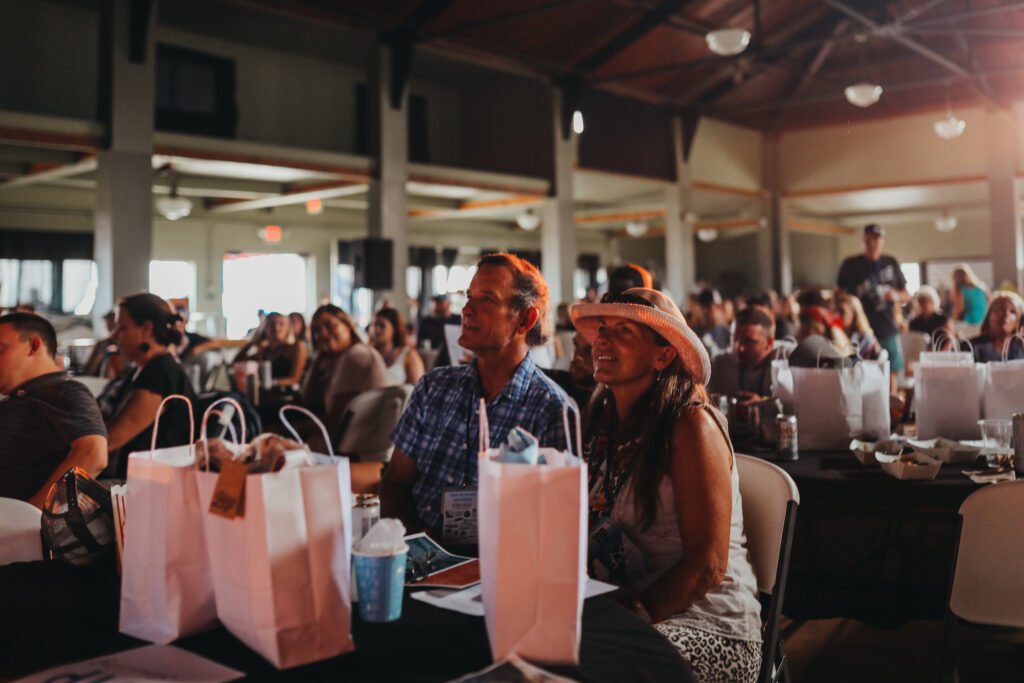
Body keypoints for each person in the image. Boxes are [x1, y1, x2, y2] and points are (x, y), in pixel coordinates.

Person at [571, 288, 762, 682]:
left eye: (623, 330)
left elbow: (707, 567)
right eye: (602, 328)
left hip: (707, 624)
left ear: (664, 354)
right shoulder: (598, 419)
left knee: (585, 669)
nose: (603, 339)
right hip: (618, 605)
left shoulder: (691, 425)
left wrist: (628, 617)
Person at [382, 253, 571, 540]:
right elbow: (396, 480)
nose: (467, 309)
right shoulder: (434, 388)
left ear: (525, 318)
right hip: (418, 557)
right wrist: (418, 545)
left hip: (499, 568)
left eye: (486, 299)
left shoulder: (550, 409)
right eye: (470, 297)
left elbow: (552, 525)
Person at [0, 313, 108, 507]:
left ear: (34, 346)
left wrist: (33, 511)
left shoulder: (64, 390)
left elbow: (94, 453)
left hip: (15, 527)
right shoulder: (21, 398)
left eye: (1, 348)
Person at [104, 293, 196, 479]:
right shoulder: (144, 369)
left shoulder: (161, 373)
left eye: (121, 328)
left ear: (146, 329)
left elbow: (111, 440)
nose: (114, 335)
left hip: (150, 487)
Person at [836, 223, 909, 389]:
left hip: (887, 327)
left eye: (876, 239)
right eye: (868, 239)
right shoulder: (851, 264)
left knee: (891, 372)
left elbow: (907, 295)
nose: (872, 243)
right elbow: (838, 294)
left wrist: (895, 295)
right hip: (860, 331)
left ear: (882, 240)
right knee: (857, 372)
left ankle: (891, 409)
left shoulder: (891, 262)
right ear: (863, 240)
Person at [301, 304, 389, 435]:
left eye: (329, 325)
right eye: (317, 331)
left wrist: (289, 429)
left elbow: (336, 422)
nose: (323, 334)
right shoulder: (341, 359)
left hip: (358, 446)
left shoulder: (356, 356)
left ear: (347, 326)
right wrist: (317, 361)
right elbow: (308, 399)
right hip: (357, 441)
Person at [707, 306, 790, 400]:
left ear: (769, 343)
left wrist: (762, 406)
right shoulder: (719, 364)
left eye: (749, 342)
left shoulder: (786, 357)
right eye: (735, 339)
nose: (740, 348)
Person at [232, 311, 307, 386]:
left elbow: (295, 379)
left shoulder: (295, 347)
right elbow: (237, 363)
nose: (276, 327)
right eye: (272, 324)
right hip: (265, 394)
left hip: (287, 394)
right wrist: (252, 342)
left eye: (281, 323)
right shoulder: (264, 351)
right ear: (265, 329)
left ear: (287, 327)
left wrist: (267, 383)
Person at [543, 329, 598, 410]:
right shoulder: (549, 381)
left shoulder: (606, 408)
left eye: (589, 350)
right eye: (576, 345)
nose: (577, 356)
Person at [370, 307, 424, 386]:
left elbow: (418, 390)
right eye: (375, 325)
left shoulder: (409, 356)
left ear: (394, 329)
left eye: (382, 325)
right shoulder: (367, 353)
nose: (376, 329)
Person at [968, 292, 1024, 362]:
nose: (1006, 314)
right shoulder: (971, 347)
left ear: (1018, 319)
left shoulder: (1021, 347)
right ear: (989, 315)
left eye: (1012, 312)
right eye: (1001, 309)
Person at [416, 294, 461, 367]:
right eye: (436, 303)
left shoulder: (457, 320)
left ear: (448, 304)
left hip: (453, 358)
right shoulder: (427, 321)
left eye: (440, 303)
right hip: (431, 359)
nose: (437, 306)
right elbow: (420, 342)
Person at [834, 292, 883, 359]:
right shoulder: (833, 335)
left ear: (854, 314)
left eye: (841, 311)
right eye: (835, 311)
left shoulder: (867, 341)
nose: (837, 315)